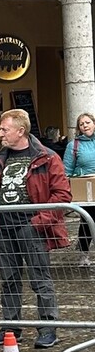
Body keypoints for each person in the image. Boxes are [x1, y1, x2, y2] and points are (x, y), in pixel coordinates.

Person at [0, 109, 72, 349]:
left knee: (40, 279)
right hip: (2, 226)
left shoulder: (47, 158)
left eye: (4, 129)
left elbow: (62, 195)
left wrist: (38, 221)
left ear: (21, 131)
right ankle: (10, 328)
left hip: (31, 227)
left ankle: (48, 328)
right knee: (8, 279)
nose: (0, 134)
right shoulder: (0, 158)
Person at [64, 112, 95, 265]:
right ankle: (84, 253)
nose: (85, 126)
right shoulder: (73, 145)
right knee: (87, 220)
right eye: (81, 124)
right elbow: (66, 169)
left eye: (88, 122)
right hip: (85, 188)